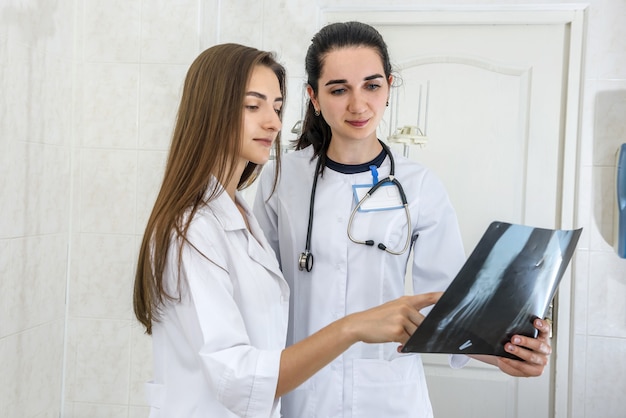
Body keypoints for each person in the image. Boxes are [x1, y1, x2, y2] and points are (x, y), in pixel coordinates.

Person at [253, 21, 552, 418]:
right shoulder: (280, 178)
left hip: (387, 393)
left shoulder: (420, 186)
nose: (358, 105)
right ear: (314, 96)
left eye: (372, 86)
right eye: (339, 89)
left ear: (389, 87)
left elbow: (446, 302)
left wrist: (508, 351)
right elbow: (259, 294)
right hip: (301, 388)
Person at [133, 42, 444, 418]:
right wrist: (353, 327)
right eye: (253, 106)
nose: (274, 123)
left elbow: (448, 301)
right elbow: (239, 378)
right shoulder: (193, 229)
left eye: (277, 108)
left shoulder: (237, 214)